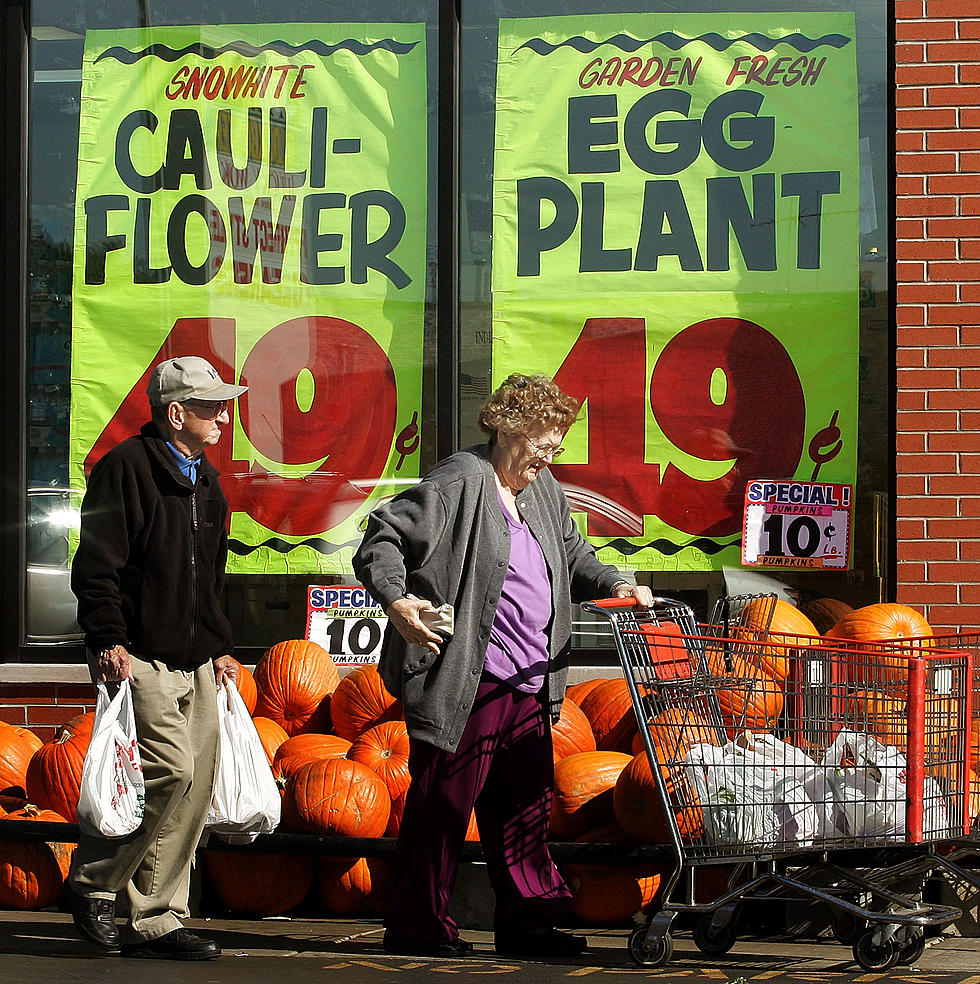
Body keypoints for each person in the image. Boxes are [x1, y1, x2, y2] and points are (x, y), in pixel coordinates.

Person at [353, 371, 653, 959]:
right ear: (512, 428)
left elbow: (572, 554)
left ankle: (530, 925)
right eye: (546, 438)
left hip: (531, 678)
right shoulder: (459, 482)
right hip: (470, 677)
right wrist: (396, 598)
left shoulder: (542, 490)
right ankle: (418, 925)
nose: (553, 451)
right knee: (443, 806)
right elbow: (383, 536)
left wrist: (615, 582)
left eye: (559, 439)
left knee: (525, 811)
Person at [68, 355, 247, 961]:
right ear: (177, 414)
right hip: (139, 653)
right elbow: (98, 566)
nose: (224, 415)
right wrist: (105, 638)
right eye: (211, 406)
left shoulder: (206, 479)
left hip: (196, 656)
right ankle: (94, 883)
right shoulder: (126, 470)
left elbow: (211, 576)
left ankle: (160, 917)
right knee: (169, 770)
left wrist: (221, 645)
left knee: (194, 785)